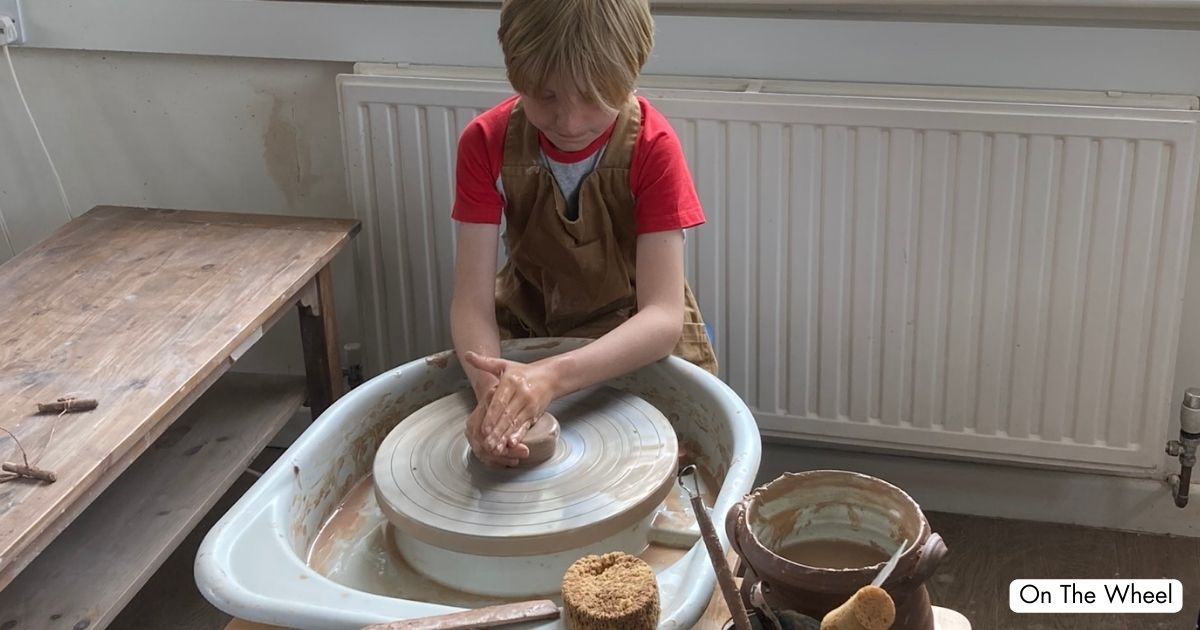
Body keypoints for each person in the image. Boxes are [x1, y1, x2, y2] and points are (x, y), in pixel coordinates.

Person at [450, 0, 717, 467]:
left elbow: (662, 316)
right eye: (546, 97)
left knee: (677, 466)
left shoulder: (653, 149)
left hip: (631, 331)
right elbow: (471, 301)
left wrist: (550, 379)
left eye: (593, 97)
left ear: (630, 74)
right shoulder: (485, 143)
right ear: (517, 76)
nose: (569, 122)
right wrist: (494, 399)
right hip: (533, 316)